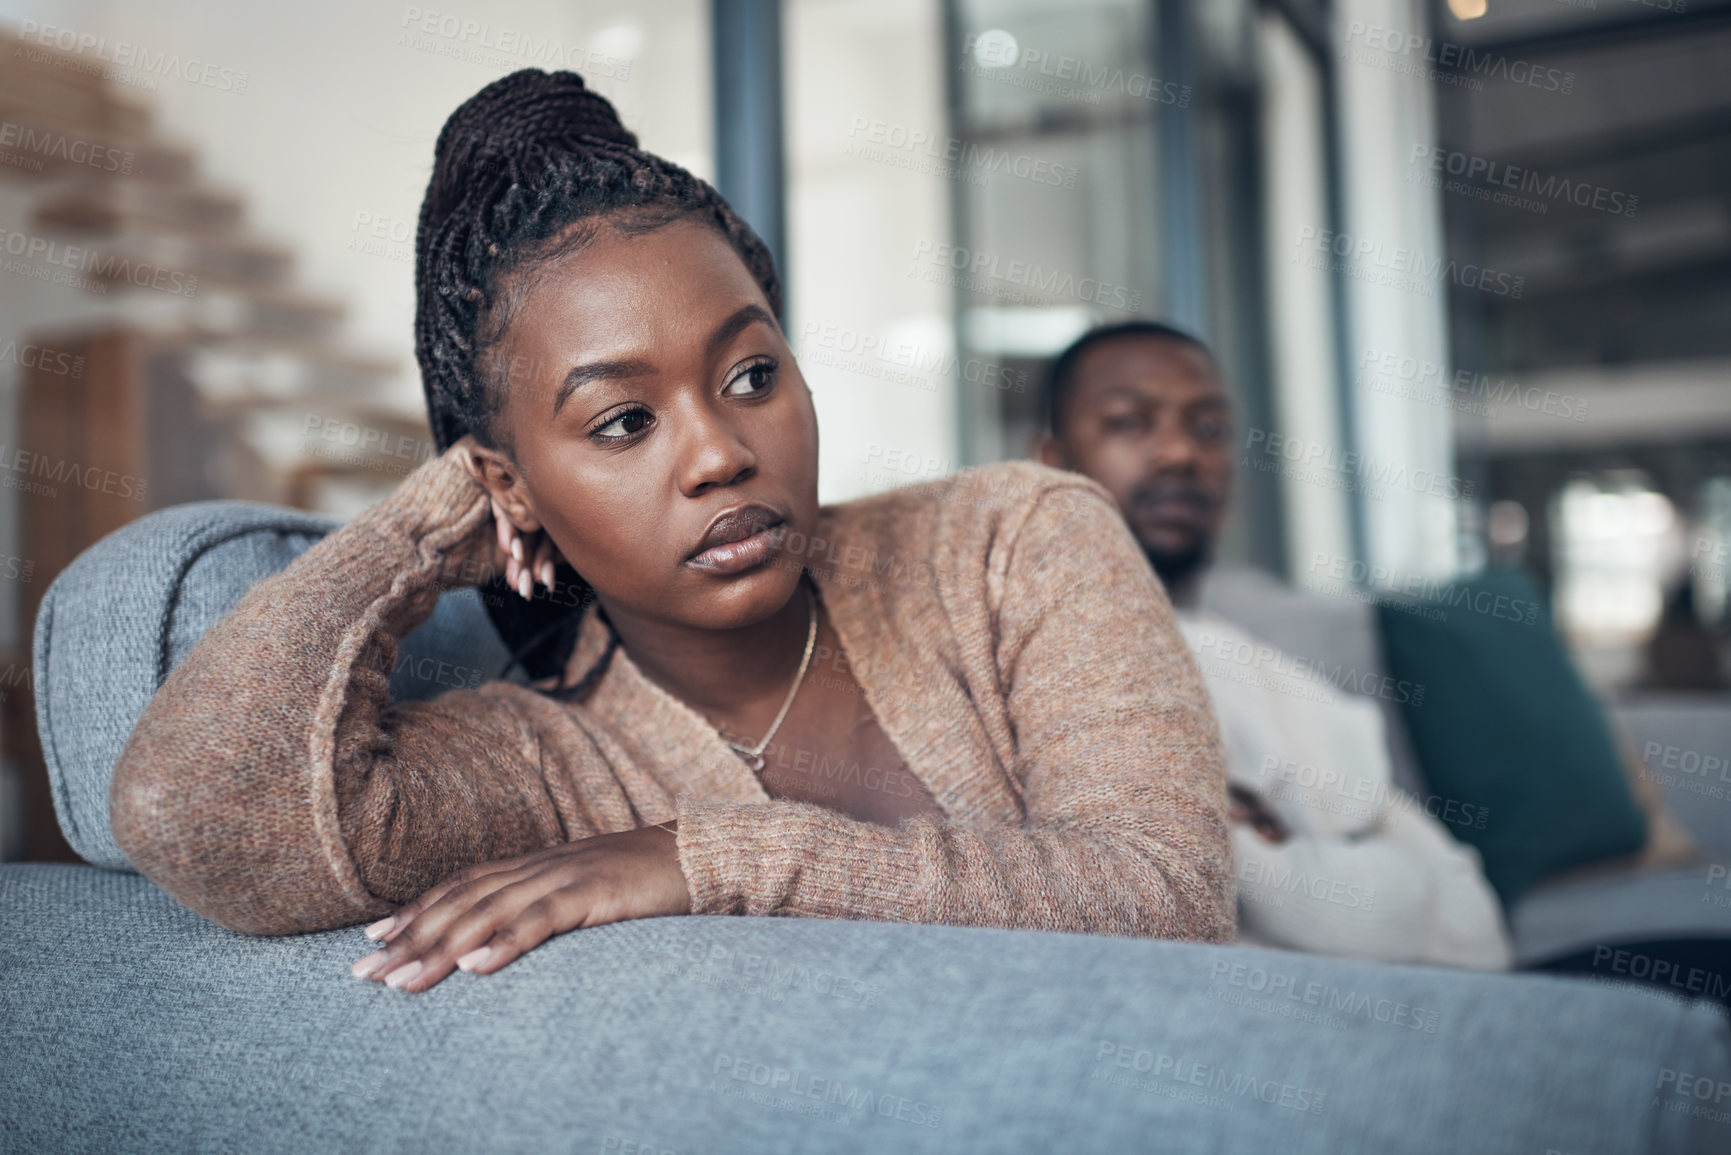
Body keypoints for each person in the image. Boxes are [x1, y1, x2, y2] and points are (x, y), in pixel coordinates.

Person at [107, 72, 1235, 995]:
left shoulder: (1015, 539)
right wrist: (418, 527)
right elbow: (196, 819)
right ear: (511, 482)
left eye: (751, 373)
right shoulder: (543, 766)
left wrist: (711, 859)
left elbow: (1171, 903)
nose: (718, 454)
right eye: (625, 420)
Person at [1035, 320, 1512, 970]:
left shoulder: (1252, 665)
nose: (1180, 453)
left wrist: (1235, 849)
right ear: (1052, 464)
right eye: (1129, 422)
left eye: (1208, 429)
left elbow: (1473, 924)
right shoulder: (1041, 657)